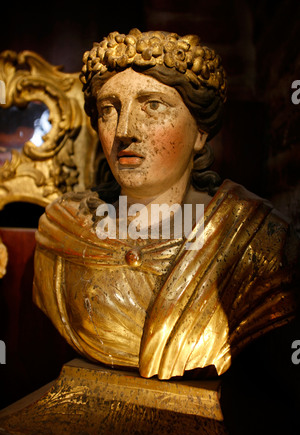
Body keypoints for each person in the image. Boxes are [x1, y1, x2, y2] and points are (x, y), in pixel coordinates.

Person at [33, 29, 299, 381]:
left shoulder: (259, 243)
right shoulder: (63, 231)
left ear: (200, 132)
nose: (125, 129)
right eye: (109, 109)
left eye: (153, 105)